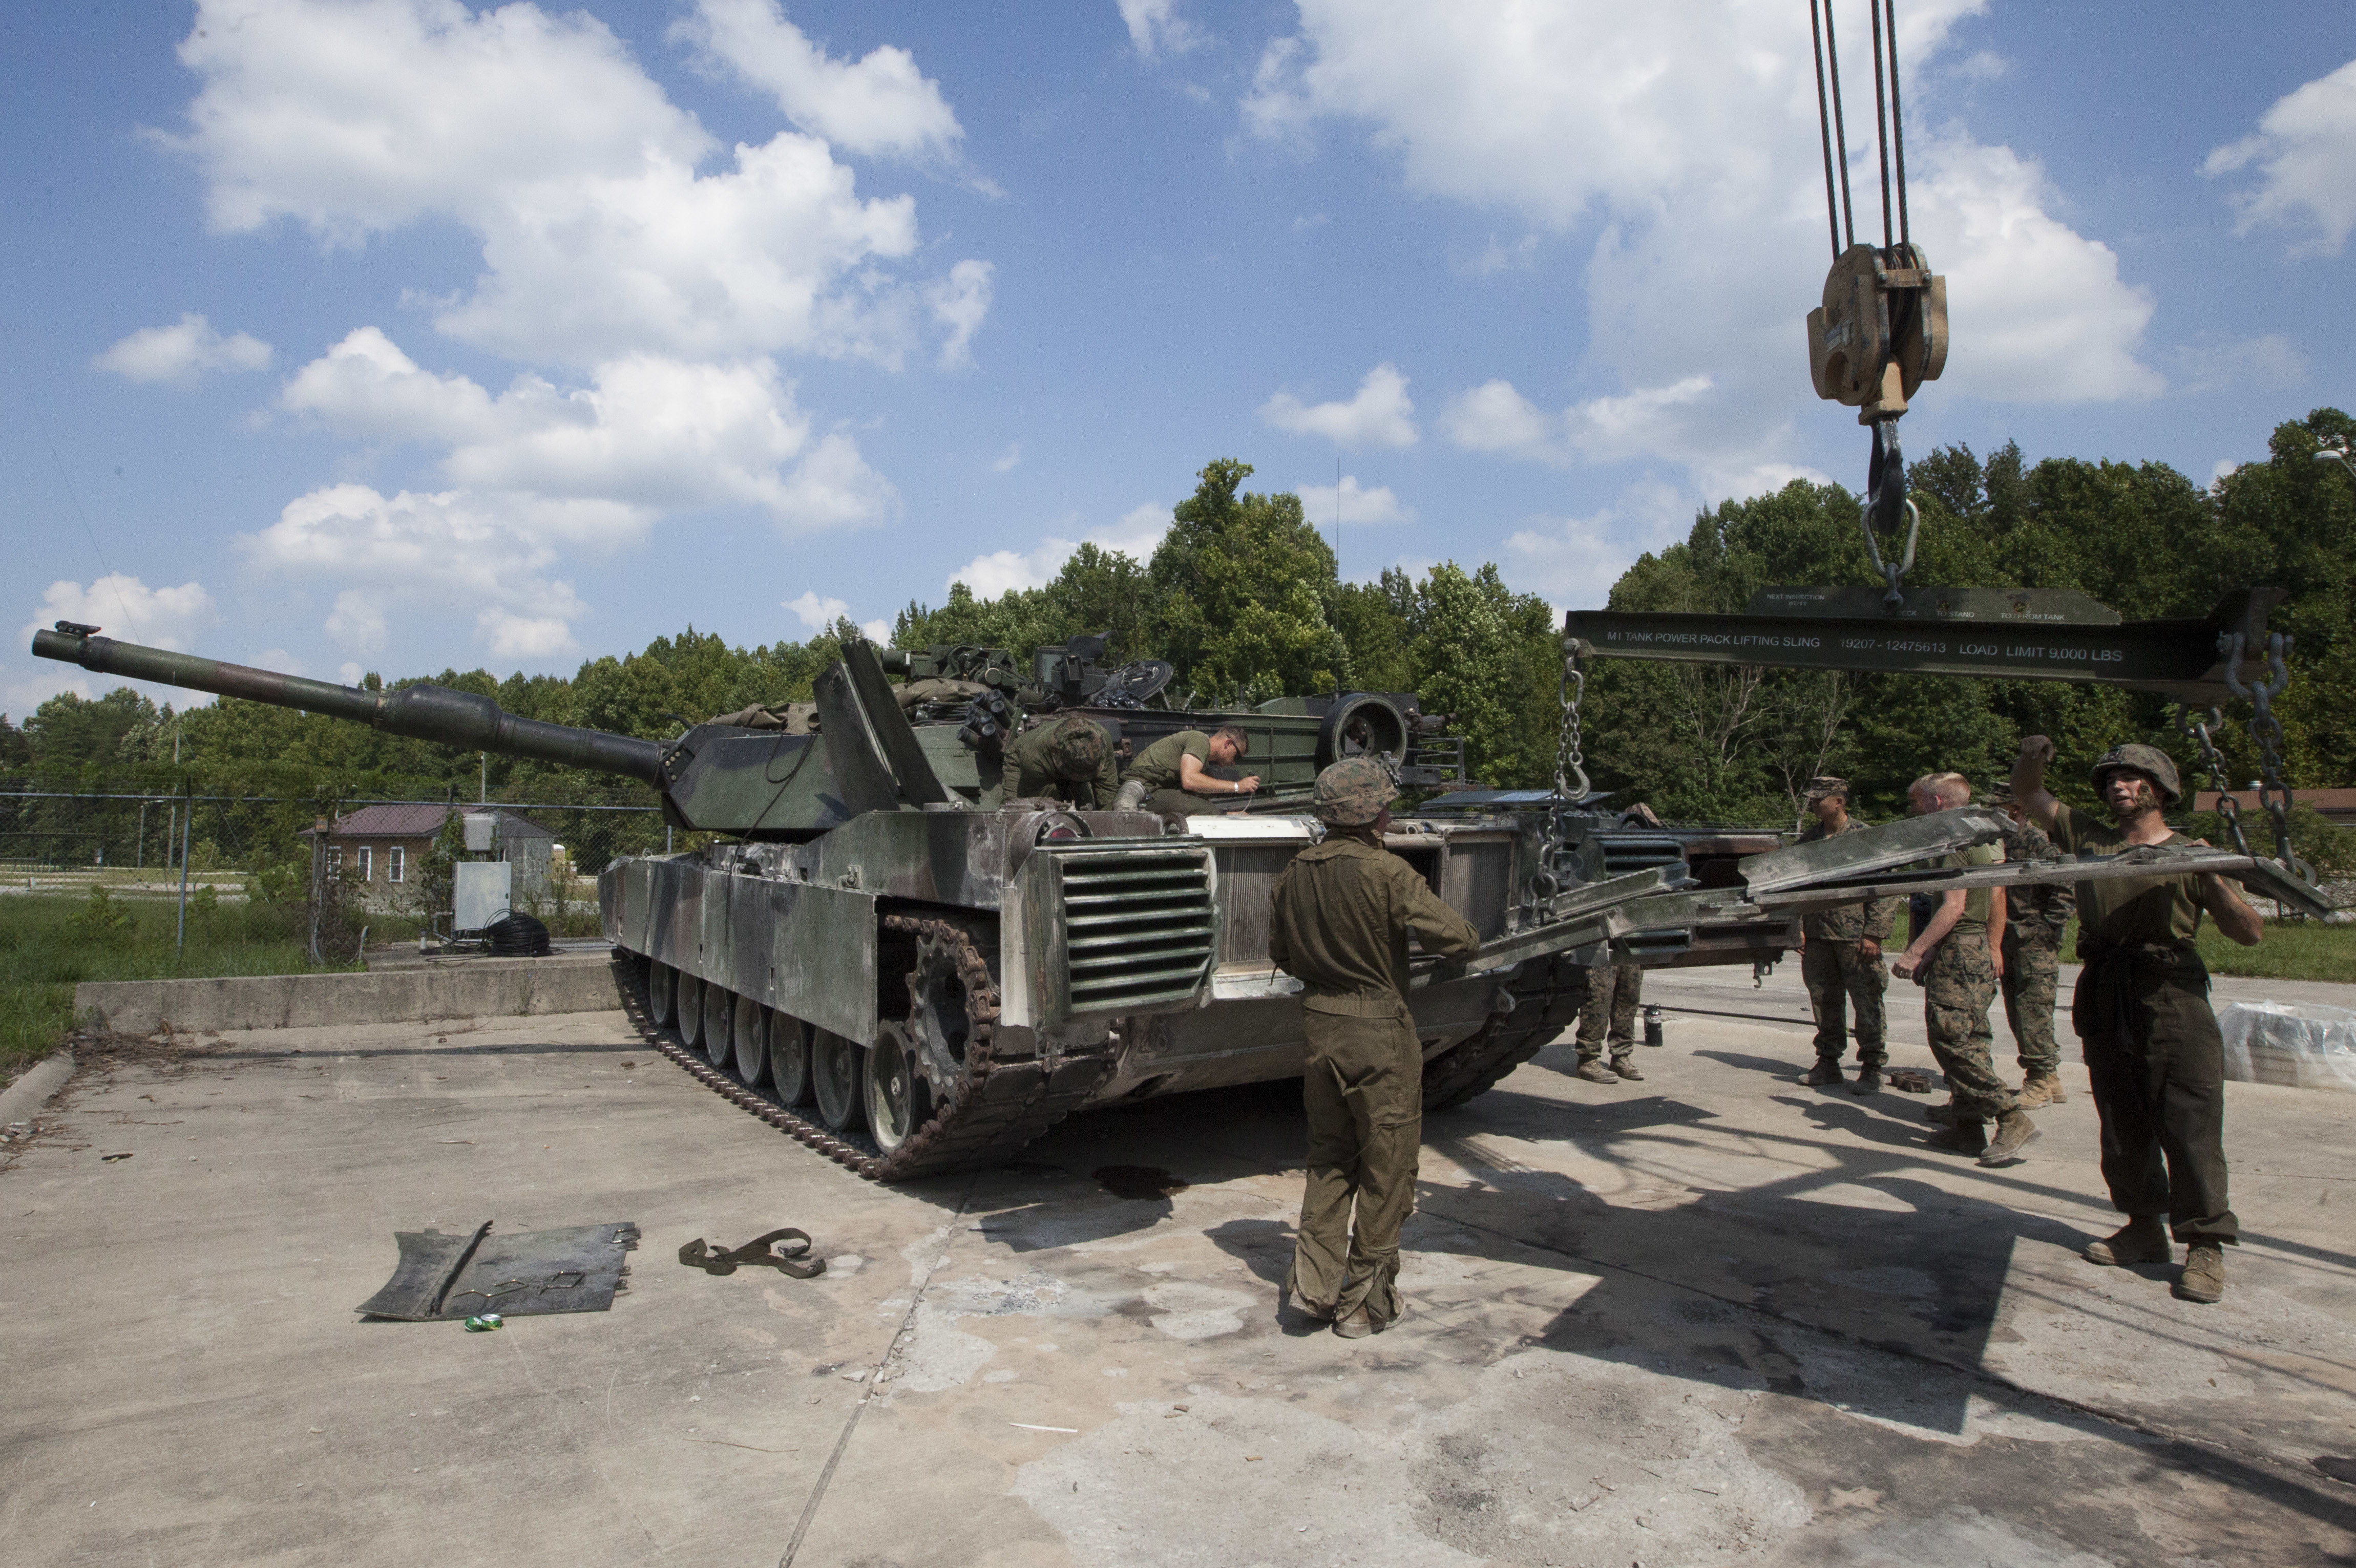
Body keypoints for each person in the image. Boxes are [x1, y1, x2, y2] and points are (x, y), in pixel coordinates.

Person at [2010, 737, 2263, 1304]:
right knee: (2121, 1119)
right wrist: (2033, 751)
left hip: (2170, 988)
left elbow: (2248, 932)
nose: (2119, 787)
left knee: (2189, 1118)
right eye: (2111, 781)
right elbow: (2028, 791)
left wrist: (2211, 874)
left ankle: (2204, 1243)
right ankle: (2143, 1228)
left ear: (2160, 789)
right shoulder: (2088, 836)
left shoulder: (2191, 849)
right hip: (2106, 985)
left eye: (2132, 778)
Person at [1269, 756, 1481, 1339]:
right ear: (1369, 813)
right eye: (1385, 802)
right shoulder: (1387, 872)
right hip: (1379, 1032)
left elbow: (1282, 954)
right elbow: (1457, 939)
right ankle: (1363, 1302)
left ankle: (1313, 1288)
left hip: (1320, 1030)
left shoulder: (1293, 874)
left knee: (1330, 1159)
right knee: (1389, 1168)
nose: (1390, 810)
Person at [1889, 773, 2038, 1166]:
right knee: (1972, 1036)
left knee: (1951, 1039)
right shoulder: (1987, 837)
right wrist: (1992, 945)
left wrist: (1916, 952)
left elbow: (1953, 907)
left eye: (1916, 802)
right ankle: (1968, 1125)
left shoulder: (1955, 842)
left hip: (1959, 948)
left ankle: (2010, 1117)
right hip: (1972, 947)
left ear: (1937, 803)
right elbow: (1997, 893)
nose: (1913, 810)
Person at [1791, 776, 1901, 1094]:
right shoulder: (1810, 839)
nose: (1812, 804)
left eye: (1819, 798)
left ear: (1839, 802)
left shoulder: (1865, 838)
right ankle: (1828, 1062)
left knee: (1867, 1001)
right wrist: (1797, 925)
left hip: (1857, 937)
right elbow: (1798, 884)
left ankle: (1871, 1066)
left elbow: (1885, 889)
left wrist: (1875, 934)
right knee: (1824, 999)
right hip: (1818, 934)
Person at [1985, 778, 2074, 1107]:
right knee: (2018, 1012)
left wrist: (2045, 932)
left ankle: (2038, 1080)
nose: (1991, 813)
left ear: (2017, 809)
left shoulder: (2039, 843)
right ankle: (2049, 1077)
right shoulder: (1998, 842)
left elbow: (2065, 890)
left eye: (1998, 807)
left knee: (2032, 1011)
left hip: (2033, 942)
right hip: (2007, 940)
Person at [1114, 724, 1260, 814]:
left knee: (1204, 806)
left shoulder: (1203, 762)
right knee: (1207, 811)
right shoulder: (1200, 740)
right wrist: (1237, 786)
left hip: (1153, 790)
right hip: (1142, 790)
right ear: (1228, 743)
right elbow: (1190, 781)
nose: (1234, 763)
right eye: (1237, 756)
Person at [983, 714, 1119, 810]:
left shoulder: (1103, 741)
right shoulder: (1033, 757)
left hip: (1061, 760)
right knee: (1016, 809)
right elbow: (1045, 805)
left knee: (1086, 804)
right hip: (1022, 759)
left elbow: (1107, 790)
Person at [1571, 953, 1645, 1084]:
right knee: (1599, 997)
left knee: (1629, 995)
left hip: (1630, 940)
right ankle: (1587, 1059)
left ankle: (1621, 1056)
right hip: (1601, 946)